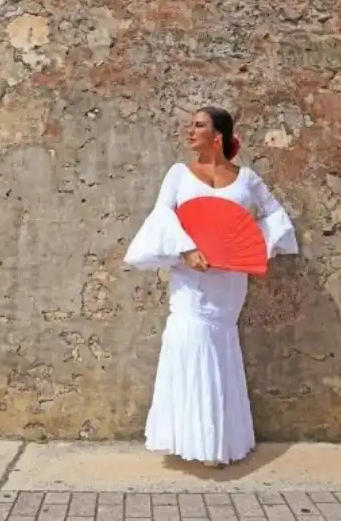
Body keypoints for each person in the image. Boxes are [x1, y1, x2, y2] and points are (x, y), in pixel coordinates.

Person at [123, 106, 299, 467]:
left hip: (228, 279)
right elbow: (162, 215)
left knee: (219, 347)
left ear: (217, 136)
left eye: (199, 125)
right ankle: (189, 438)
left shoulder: (247, 179)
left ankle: (215, 443)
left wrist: (251, 250)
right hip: (190, 275)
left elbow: (276, 216)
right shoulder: (178, 174)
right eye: (191, 125)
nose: (190, 131)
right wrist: (185, 249)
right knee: (188, 340)